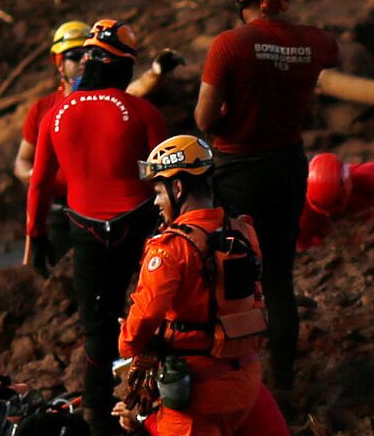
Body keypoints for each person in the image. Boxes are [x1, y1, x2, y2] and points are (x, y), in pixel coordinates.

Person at [194, 0, 339, 399]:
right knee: (279, 275)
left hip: (238, 170)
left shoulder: (229, 45)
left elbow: (204, 120)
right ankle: (287, 383)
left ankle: (237, 380)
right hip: (288, 167)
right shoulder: (315, 41)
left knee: (231, 277)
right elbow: (329, 56)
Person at [23, 19, 167, 436]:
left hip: (82, 230)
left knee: (95, 325)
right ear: (123, 67)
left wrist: (36, 234)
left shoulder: (53, 115)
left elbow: (39, 182)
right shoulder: (142, 111)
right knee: (150, 316)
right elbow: (165, 179)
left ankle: (97, 418)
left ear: (88, 61)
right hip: (137, 226)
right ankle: (154, 407)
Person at [114, 135, 284, 436]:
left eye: (158, 192)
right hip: (246, 382)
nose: (156, 202)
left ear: (177, 188)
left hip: (196, 394)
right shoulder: (244, 232)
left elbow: (137, 329)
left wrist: (129, 339)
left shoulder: (170, 248)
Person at [15, 21, 181, 257]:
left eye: (87, 54)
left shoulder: (123, 104)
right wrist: (35, 183)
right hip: (62, 208)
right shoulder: (44, 110)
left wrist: (155, 72)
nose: (82, 61)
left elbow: (134, 92)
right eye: (74, 56)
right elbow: (24, 162)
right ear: (58, 62)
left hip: (117, 214)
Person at [297, 153, 374, 251]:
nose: (331, 213)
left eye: (335, 204)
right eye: (324, 208)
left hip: (368, 232)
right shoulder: (297, 212)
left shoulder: (371, 178)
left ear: (349, 184)